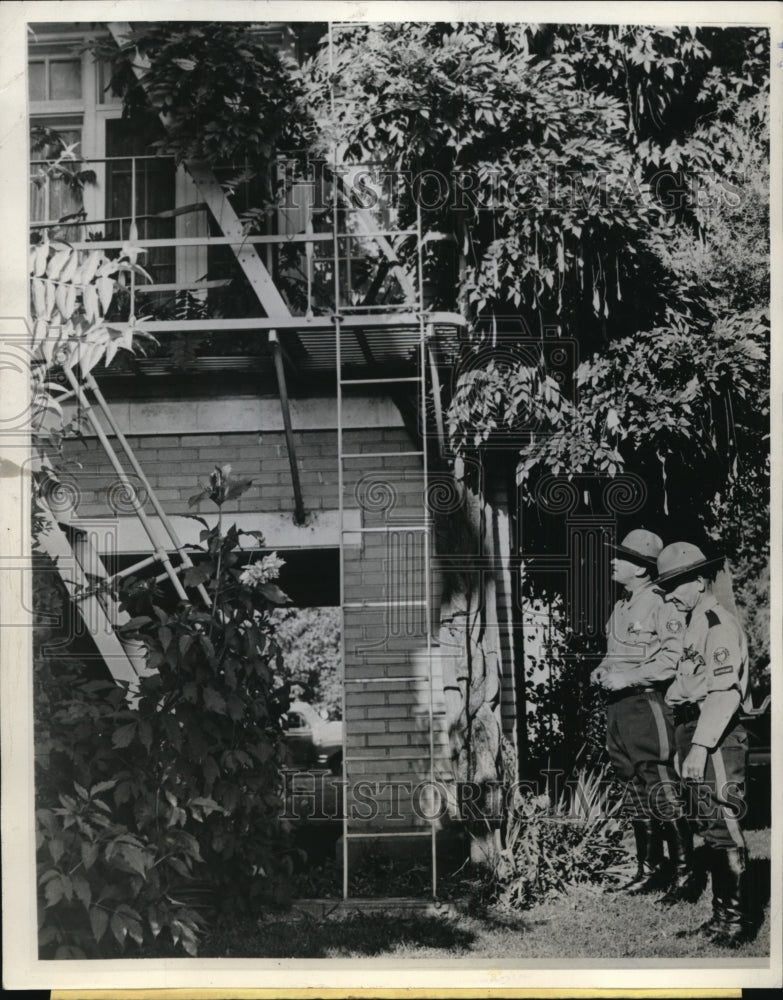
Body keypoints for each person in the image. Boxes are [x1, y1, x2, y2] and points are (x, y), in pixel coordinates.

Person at [654, 541, 754, 947]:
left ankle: (734, 924)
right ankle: (719, 917)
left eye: (675, 584)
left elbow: (725, 690)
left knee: (723, 826)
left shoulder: (716, 622)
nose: (669, 593)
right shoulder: (695, 620)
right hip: (694, 727)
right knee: (708, 824)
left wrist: (700, 746)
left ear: (698, 580)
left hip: (714, 731)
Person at [591, 529, 692, 897]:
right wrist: (602, 669)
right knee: (632, 785)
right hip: (620, 708)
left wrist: (628, 677)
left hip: (648, 704)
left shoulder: (663, 604)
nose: (614, 562)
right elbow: (616, 654)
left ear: (643, 569)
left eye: (623, 557)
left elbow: (671, 659)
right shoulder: (622, 606)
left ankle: (684, 874)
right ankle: (648, 871)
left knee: (660, 784)